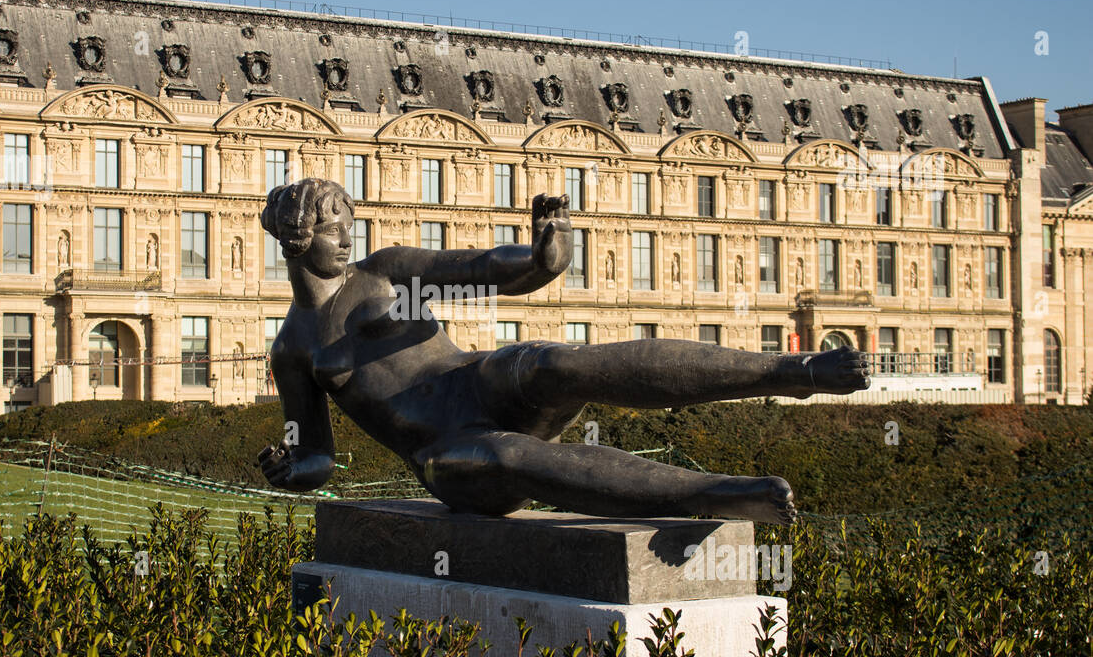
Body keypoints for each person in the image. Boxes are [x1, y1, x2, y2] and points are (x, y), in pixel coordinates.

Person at [257, 178, 869, 523]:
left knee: (546, 362)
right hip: (444, 449)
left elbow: (483, 270)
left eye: (349, 224)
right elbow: (316, 457)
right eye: (336, 227)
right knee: (501, 457)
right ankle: (709, 493)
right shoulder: (294, 350)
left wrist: (545, 257)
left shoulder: (385, 276)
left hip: (477, 383)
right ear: (296, 236)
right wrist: (291, 469)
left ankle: (795, 369)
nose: (349, 237)